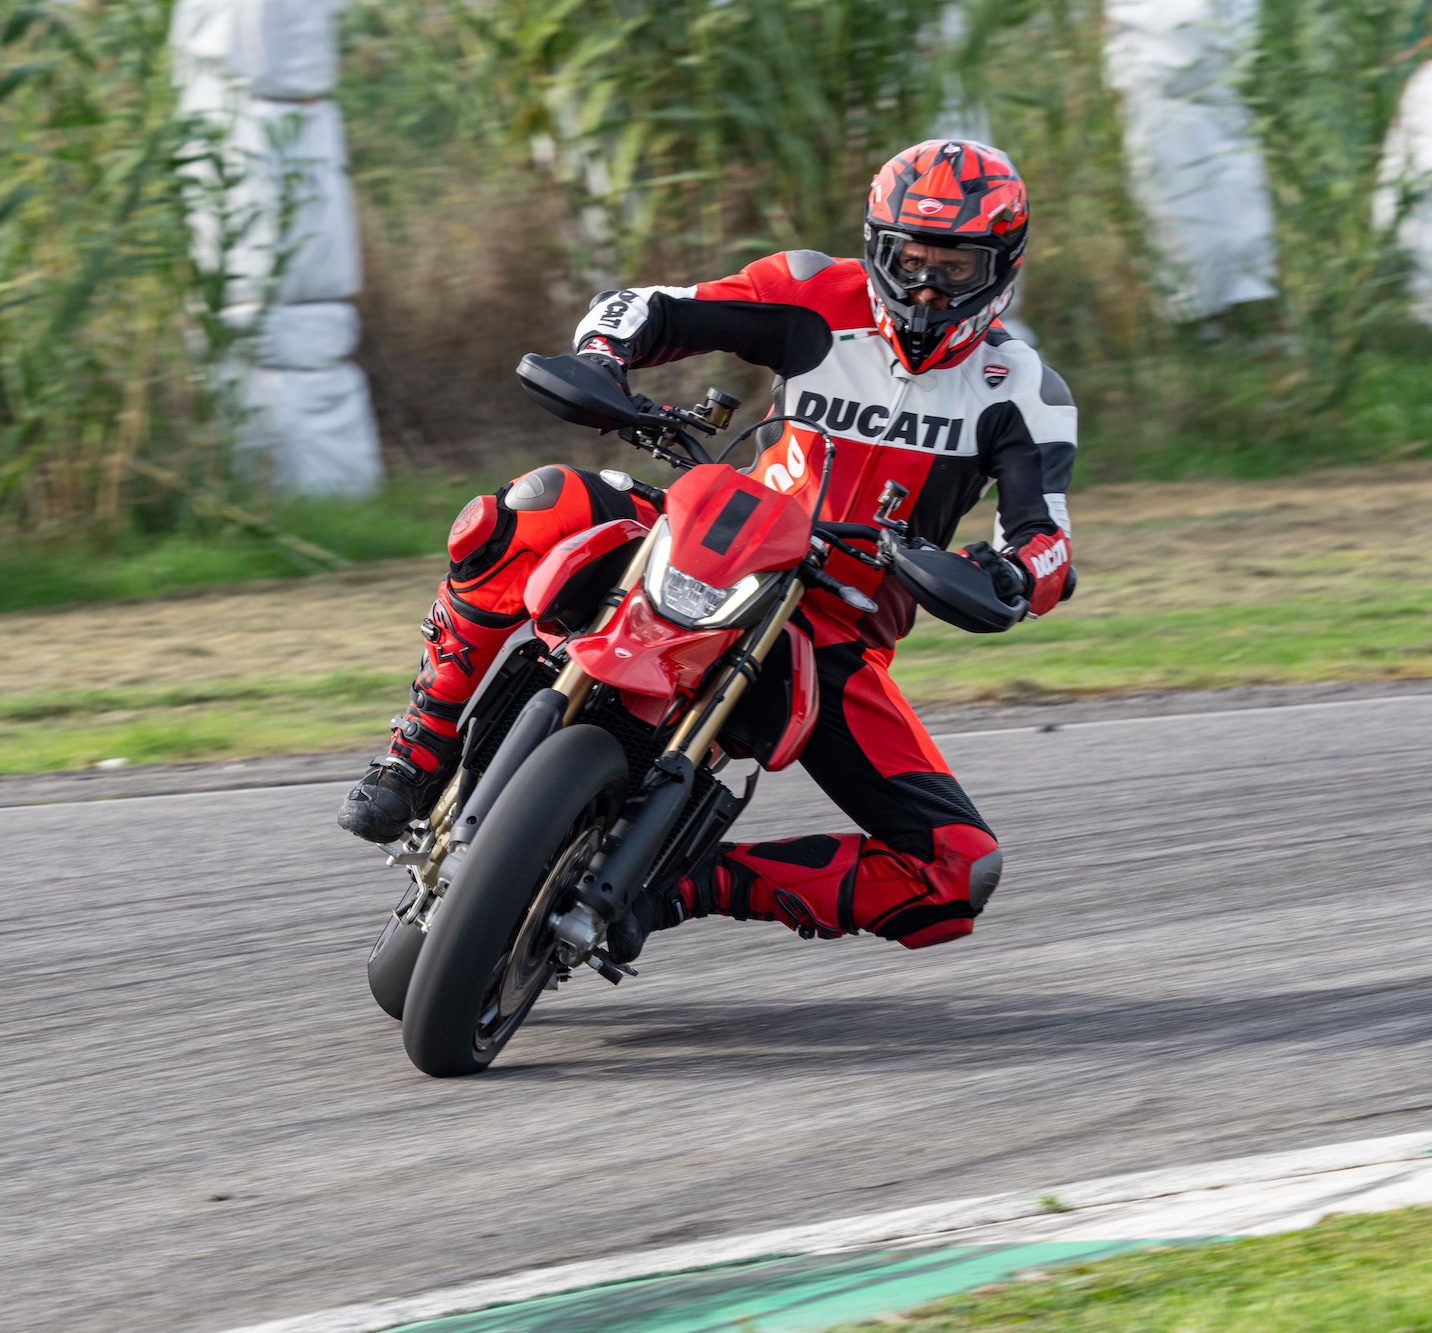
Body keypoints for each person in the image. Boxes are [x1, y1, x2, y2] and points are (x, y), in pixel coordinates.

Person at [338, 139, 1077, 962]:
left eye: (955, 266)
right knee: (527, 508)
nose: (927, 285)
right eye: (907, 258)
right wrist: (603, 360)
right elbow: (648, 305)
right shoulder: (814, 292)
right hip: (719, 531)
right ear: (876, 246)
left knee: (957, 871)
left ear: (1002, 267)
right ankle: (420, 744)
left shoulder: (1025, 391)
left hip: (832, 622)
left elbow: (1047, 542)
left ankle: (686, 883)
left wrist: (1005, 570)